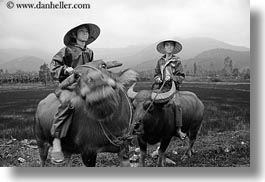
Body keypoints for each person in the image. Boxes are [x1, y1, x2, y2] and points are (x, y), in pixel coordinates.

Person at [49, 23, 100, 164]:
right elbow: (53, 66)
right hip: (69, 85)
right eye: (82, 31)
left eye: (87, 32)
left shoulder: (90, 52)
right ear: (74, 35)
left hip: (85, 85)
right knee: (69, 104)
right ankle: (57, 141)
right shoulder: (67, 50)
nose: (85, 34)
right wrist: (66, 70)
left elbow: (90, 69)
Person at [153, 39, 186, 140]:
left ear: (174, 48)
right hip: (161, 87)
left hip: (173, 88)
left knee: (177, 104)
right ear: (164, 48)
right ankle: (154, 126)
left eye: (171, 46)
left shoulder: (177, 61)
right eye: (167, 45)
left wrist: (172, 78)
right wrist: (158, 78)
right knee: (151, 102)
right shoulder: (160, 61)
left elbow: (181, 76)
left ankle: (178, 130)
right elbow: (156, 73)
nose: (169, 47)